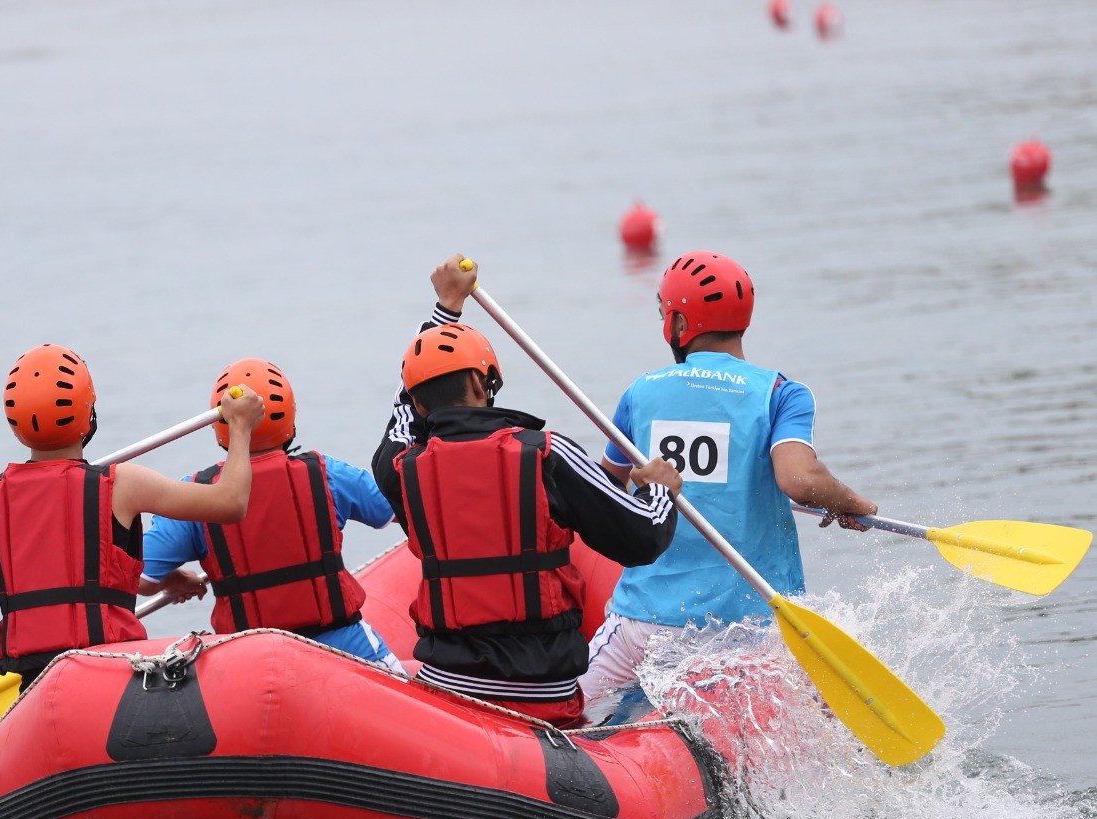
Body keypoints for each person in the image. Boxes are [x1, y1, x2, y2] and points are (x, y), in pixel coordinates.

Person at [372, 256, 683, 726]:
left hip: (448, 696)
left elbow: (402, 407)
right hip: (543, 698)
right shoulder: (547, 455)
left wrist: (445, 309)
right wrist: (659, 491)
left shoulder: (398, 469)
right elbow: (643, 538)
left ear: (418, 400)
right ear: (483, 381)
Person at [577, 250, 878, 701]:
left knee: (565, 712)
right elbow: (798, 480)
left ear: (678, 324)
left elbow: (602, 493)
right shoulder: (782, 394)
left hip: (644, 625)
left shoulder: (641, 392)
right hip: (751, 631)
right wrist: (848, 500)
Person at [0, 344, 265, 684]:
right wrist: (240, 427)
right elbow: (230, 502)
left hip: (38, 684)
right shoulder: (122, 484)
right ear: (88, 415)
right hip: (113, 675)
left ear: (14, 424)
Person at [138, 358, 404, 671]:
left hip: (252, 663)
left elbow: (142, 579)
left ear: (218, 424)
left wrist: (171, 577)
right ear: (290, 417)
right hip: (347, 648)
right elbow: (400, 510)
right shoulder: (327, 473)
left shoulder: (196, 493)